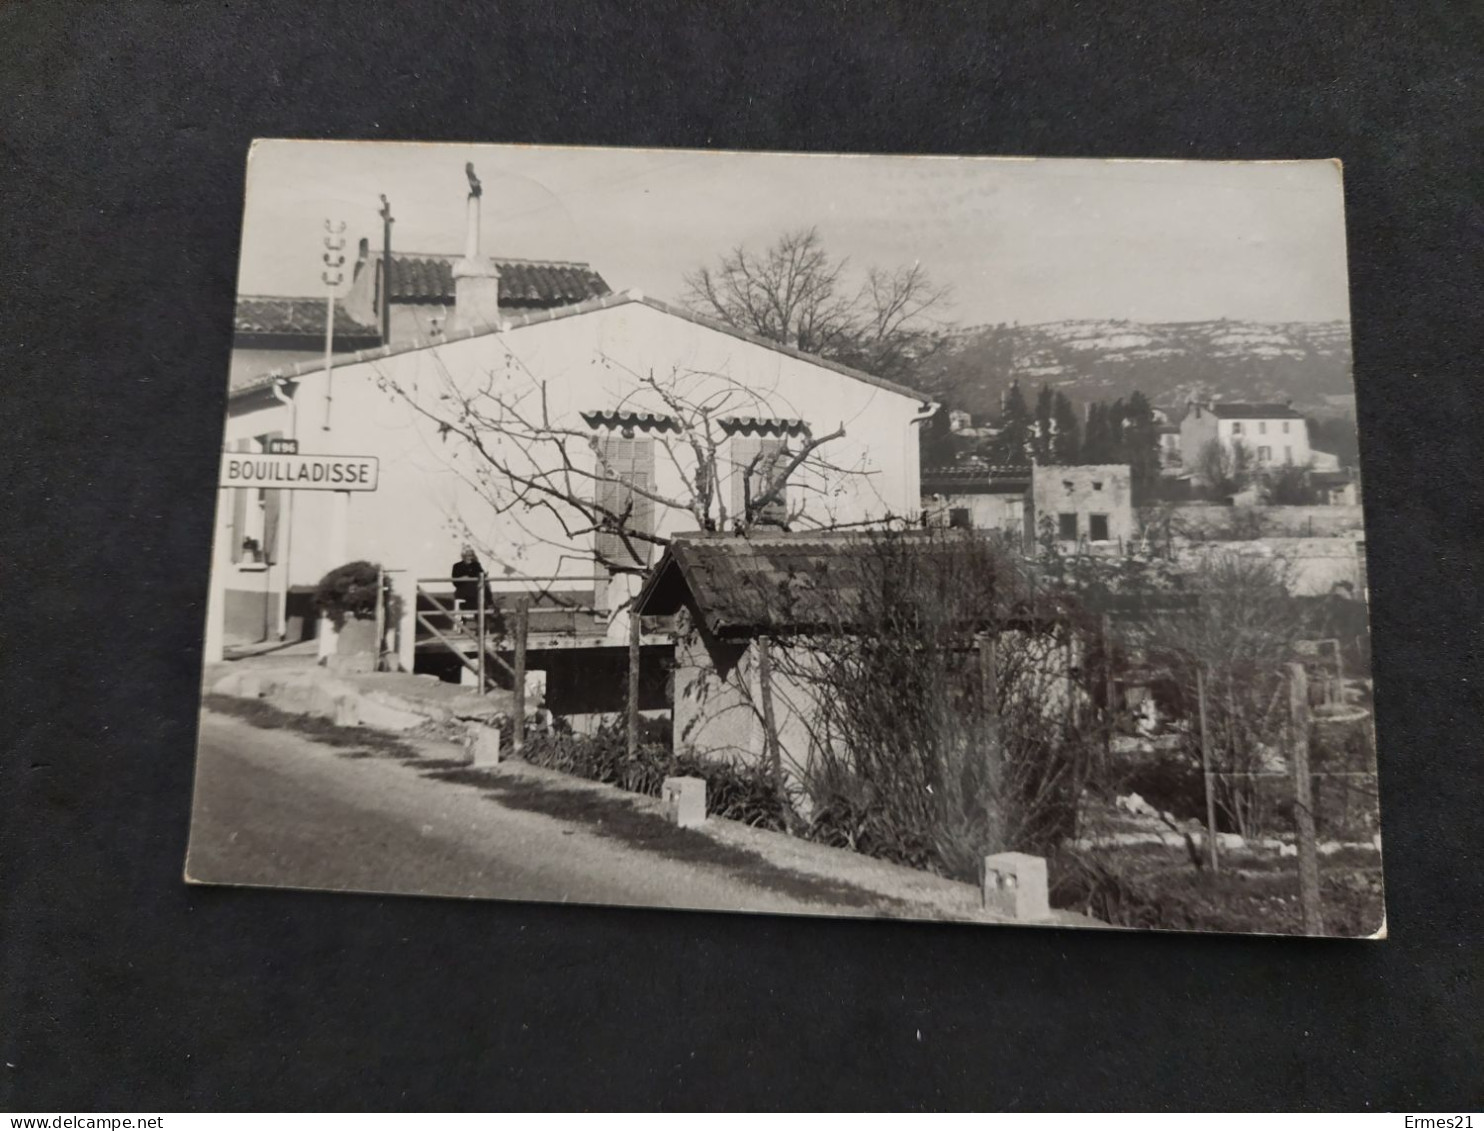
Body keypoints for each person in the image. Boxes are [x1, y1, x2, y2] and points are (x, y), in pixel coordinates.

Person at [450, 545, 492, 628]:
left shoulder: (476, 565)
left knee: (483, 590)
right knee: (479, 599)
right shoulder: (457, 566)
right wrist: (463, 578)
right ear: (463, 556)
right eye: (468, 555)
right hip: (463, 591)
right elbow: (455, 582)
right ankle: (488, 611)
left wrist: (483, 576)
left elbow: (481, 575)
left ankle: (481, 626)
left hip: (475, 592)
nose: (470, 557)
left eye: (471, 555)